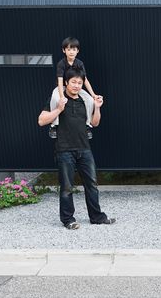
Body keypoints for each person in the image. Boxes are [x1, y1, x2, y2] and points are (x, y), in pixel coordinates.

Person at [38, 67, 116, 229]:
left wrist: (98, 107)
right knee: (67, 187)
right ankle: (68, 220)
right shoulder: (58, 99)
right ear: (66, 83)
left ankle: (97, 217)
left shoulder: (85, 100)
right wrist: (59, 109)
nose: (76, 85)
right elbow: (41, 120)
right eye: (73, 82)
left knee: (92, 185)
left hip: (84, 149)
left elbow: (94, 123)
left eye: (80, 82)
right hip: (64, 149)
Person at [48, 37, 101, 139]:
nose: (71, 52)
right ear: (64, 50)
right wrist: (62, 96)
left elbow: (85, 80)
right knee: (55, 98)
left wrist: (93, 94)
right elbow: (59, 81)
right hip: (63, 87)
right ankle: (53, 126)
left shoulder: (79, 63)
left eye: (74, 49)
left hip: (76, 86)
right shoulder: (61, 64)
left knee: (89, 100)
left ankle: (87, 125)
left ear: (77, 51)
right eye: (68, 49)